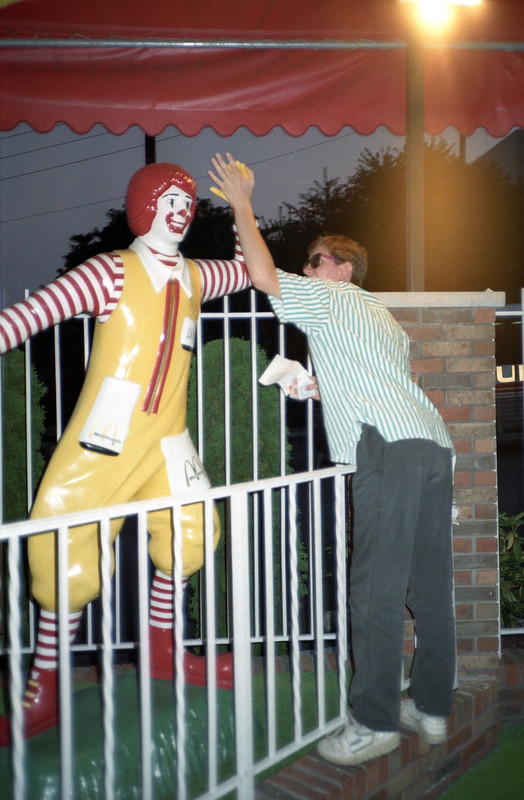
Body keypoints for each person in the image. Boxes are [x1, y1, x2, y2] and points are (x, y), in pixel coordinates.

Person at [208, 153, 457, 767]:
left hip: (386, 451)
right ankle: (430, 709)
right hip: (430, 443)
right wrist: (321, 388)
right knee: (429, 590)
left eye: (315, 261)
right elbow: (373, 379)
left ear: (342, 269)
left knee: (373, 591)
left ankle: (372, 722)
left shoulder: (329, 296)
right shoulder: (381, 316)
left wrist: (242, 202)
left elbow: (263, 276)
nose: (306, 269)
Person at [0, 162, 250, 744]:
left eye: (187, 200)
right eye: (169, 199)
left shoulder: (194, 276)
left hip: (167, 439)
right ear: (144, 206)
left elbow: (244, 272)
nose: (181, 209)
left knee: (192, 532)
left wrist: (240, 204)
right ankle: (48, 687)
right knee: (64, 549)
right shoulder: (110, 271)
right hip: (102, 441)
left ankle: (165, 650)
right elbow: (27, 318)